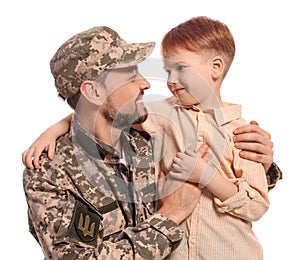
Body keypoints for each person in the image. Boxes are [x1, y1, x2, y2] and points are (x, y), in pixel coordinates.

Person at [22, 20, 282, 259]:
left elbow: (223, 195)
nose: (146, 83)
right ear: (93, 90)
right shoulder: (50, 170)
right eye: (131, 74)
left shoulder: (149, 135)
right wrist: (172, 214)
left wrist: (261, 164)